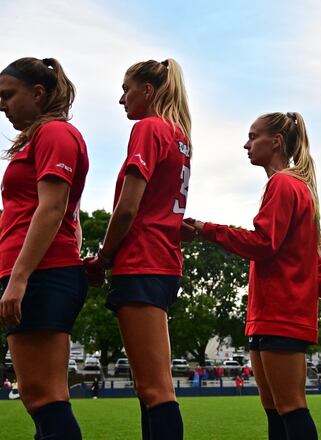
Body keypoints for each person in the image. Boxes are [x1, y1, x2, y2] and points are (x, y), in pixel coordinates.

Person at [182, 111, 321, 440]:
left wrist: (203, 230)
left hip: (281, 314)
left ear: (276, 141)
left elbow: (263, 243)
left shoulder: (284, 183)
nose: (246, 144)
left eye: (253, 137)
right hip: (269, 315)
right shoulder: (294, 185)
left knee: (290, 407)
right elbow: (306, 253)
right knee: (275, 409)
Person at [83, 58, 192, 440]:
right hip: (164, 262)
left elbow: (128, 207)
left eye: (127, 89)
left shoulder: (149, 128)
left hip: (142, 261)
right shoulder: (179, 135)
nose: (121, 99)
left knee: (154, 390)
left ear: (148, 90)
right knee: (154, 389)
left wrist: (104, 257)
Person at [0, 57, 88, 439]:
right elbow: (74, 218)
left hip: (41, 275)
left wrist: (19, 279)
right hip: (40, 272)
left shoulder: (55, 134)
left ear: (38, 94)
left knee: (43, 398)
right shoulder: (42, 138)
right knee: (42, 399)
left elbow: (52, 209)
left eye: (7, 95)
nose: (1, 105)